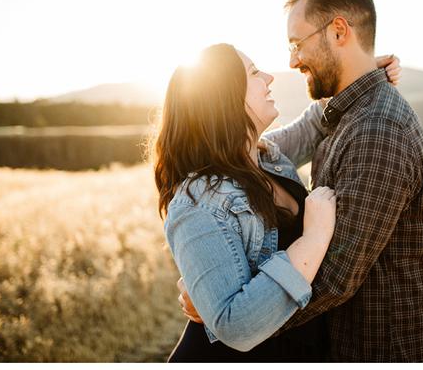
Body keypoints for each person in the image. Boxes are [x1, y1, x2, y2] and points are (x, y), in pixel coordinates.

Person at [179, 0, 423, 362]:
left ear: (339, 32)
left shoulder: (377, 129)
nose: (290, 61)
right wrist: (216, 285)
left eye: (296, 43)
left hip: (385, 349)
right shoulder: (343, 115)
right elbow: (304, 128)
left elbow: (334, 275)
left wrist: (230, 312)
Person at [155, 43, 401, 362]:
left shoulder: (264, 156)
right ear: (225, 97)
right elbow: (236, 325)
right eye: (254, 72)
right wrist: (314, 237)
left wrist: (360, 73)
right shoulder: (197, 203)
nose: (269, 78)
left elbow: (314, 124)